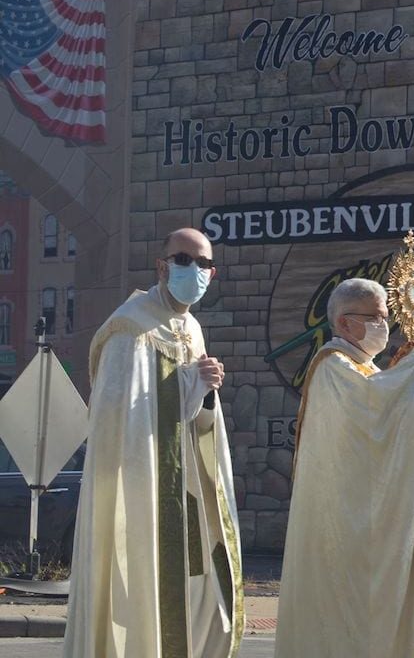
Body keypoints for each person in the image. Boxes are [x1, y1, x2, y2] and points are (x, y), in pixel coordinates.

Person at [63, 228, 243, 658]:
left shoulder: (192, 328)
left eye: (203, 263)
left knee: (201, 587)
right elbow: (120, 419)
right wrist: (189, 384)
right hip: (140, 488)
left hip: (185, 489)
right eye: (184, 260)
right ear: (162, 266)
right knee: (138, 586)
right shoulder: (130, 327)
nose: (194, 269)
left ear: (212, 273)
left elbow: (193, 418)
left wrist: (206, 391)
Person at [275, 277, 414, 658]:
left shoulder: (367, 370)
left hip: (369, 521)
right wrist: (413, 367)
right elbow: (375, 413)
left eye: (386, 317)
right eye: (375, 317)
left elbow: (392, 419)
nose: (384, 326)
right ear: (344, 322)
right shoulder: (333, 367)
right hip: (344, 528)